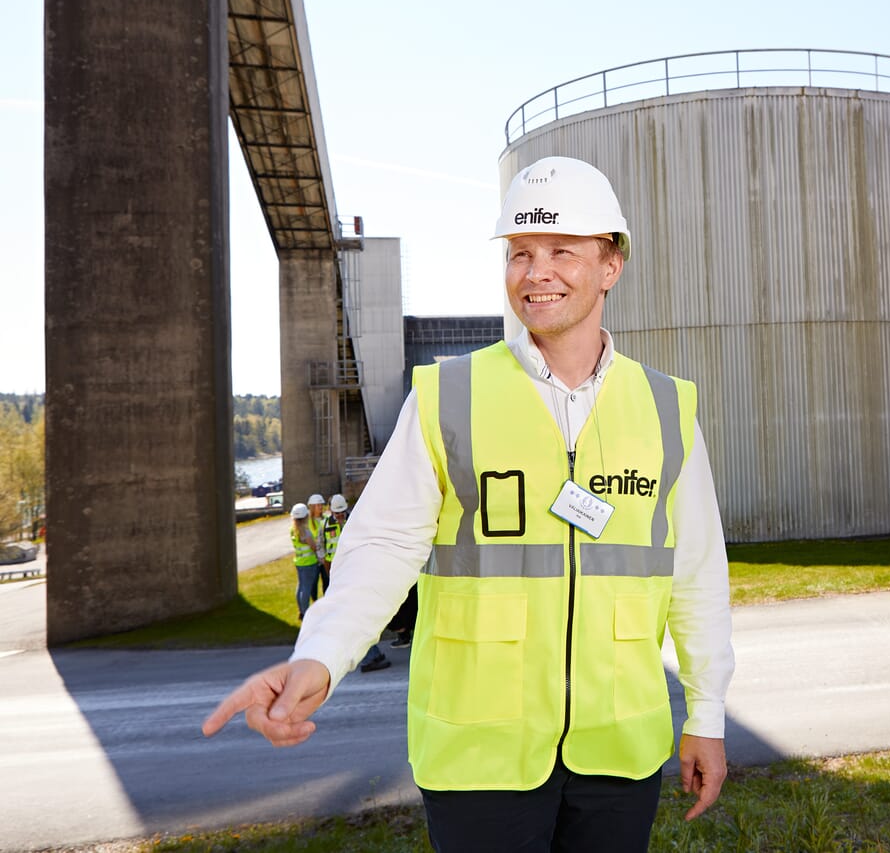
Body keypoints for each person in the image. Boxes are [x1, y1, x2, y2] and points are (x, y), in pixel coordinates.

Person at [204, 155, 735, 852]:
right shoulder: (447, 397)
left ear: (611, 264)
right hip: (480, 758)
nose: (535, 271)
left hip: (618, 751)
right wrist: (322, 655)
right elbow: (382, 547)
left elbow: (696, 574)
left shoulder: (667, 408)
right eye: (519, 252)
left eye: (561, 251)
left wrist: (709, 713)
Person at [324, 493, 390, 673]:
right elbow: (323, 552)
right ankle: (370, 656)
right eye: (336, 514)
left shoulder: (356, 520)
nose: (339, 516)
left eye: (341, 513)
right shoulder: (326, 525)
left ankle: (370, 655)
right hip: (340, 578)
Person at [288, 502, 321, 620]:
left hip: (299, 562)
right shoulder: (305, 532)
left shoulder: (293, 530)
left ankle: (301, 611)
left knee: (301, 587)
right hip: (309, 563)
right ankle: (306, 613)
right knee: (306, 588)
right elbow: (313, 546)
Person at [307, 493, 330, 596]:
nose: (320, 507)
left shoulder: (326, 519)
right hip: (314, 558)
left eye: (321, 505)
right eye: (318, 505)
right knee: (313, 584)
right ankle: (314, 603)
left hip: (325, 557)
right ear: (312, 507)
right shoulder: (307, 522)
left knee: (327, 581)